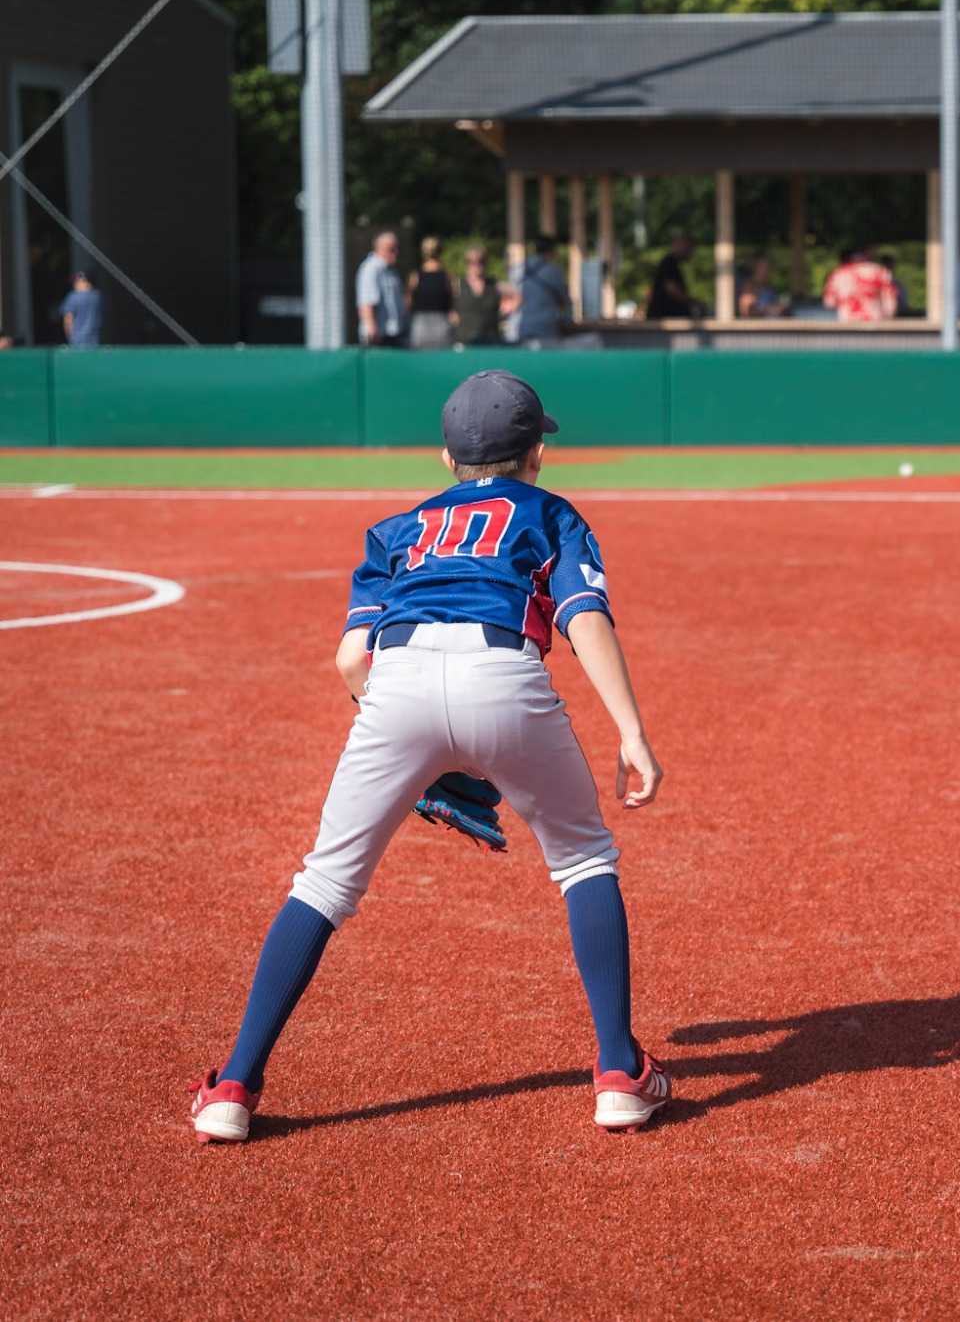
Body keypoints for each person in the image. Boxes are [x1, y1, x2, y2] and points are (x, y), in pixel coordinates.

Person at [186, 369, 669, 1144]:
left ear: (447, 460)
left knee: (326, 881)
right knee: (583, 861)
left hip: (396, 680)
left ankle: (232, 1086)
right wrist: (632, 731)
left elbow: (350, 660)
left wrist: (420, 749)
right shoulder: (550, 512)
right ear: (537, 452)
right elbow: (583, 616)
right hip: (504, 672)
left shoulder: (397, 528)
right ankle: (619, 1073)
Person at [514, 236, 570, 345]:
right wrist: (567, 319)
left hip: (524, 324)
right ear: (552, 251)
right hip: (546, 326)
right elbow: (564, 300)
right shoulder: (554, 271)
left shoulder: (519, 269)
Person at [355, 231, 406, 347]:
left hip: (392, 333)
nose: (396, 253)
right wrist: (372, 329)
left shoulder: (391, 271)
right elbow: (366, 302)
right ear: (380, 249)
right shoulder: (371, 269)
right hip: (377, 336)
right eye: (391, 249)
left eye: (396, 249)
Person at [822, 247, 897, 323]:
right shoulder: (880, 272)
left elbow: (829, 303)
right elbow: (889, 305)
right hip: (873, 323)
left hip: (846, 323)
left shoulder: (838, 274)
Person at [408, 237, 455, 351]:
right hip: (437, 325)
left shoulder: (415, 276)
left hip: (424, 326)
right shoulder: (447, 276)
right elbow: (453, 302)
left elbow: (408, 302)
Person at [455, 246, 503, 346]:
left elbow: (516, 297)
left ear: (486, 262)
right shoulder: (457, 285)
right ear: (466, 263)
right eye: (471, 261)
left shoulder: (494, 284)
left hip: (491, 342)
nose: (476, 265)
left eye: (480, 261)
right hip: (465, 342)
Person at [644, 235, 695, 319]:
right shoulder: (669, 262)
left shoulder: (671, 263)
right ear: (677, 245)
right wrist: (690, 302)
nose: (691, 252)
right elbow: (671, 288)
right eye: (688, 248)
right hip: (663, 319)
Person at [59, 270, 103, 349]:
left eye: (76, 281)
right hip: (95, 341)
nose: (74, 284)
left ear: (84, 281)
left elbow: (68, 319)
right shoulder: (98, 296)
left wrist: (70, 338)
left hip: (77, 341)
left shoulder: (73, 297)